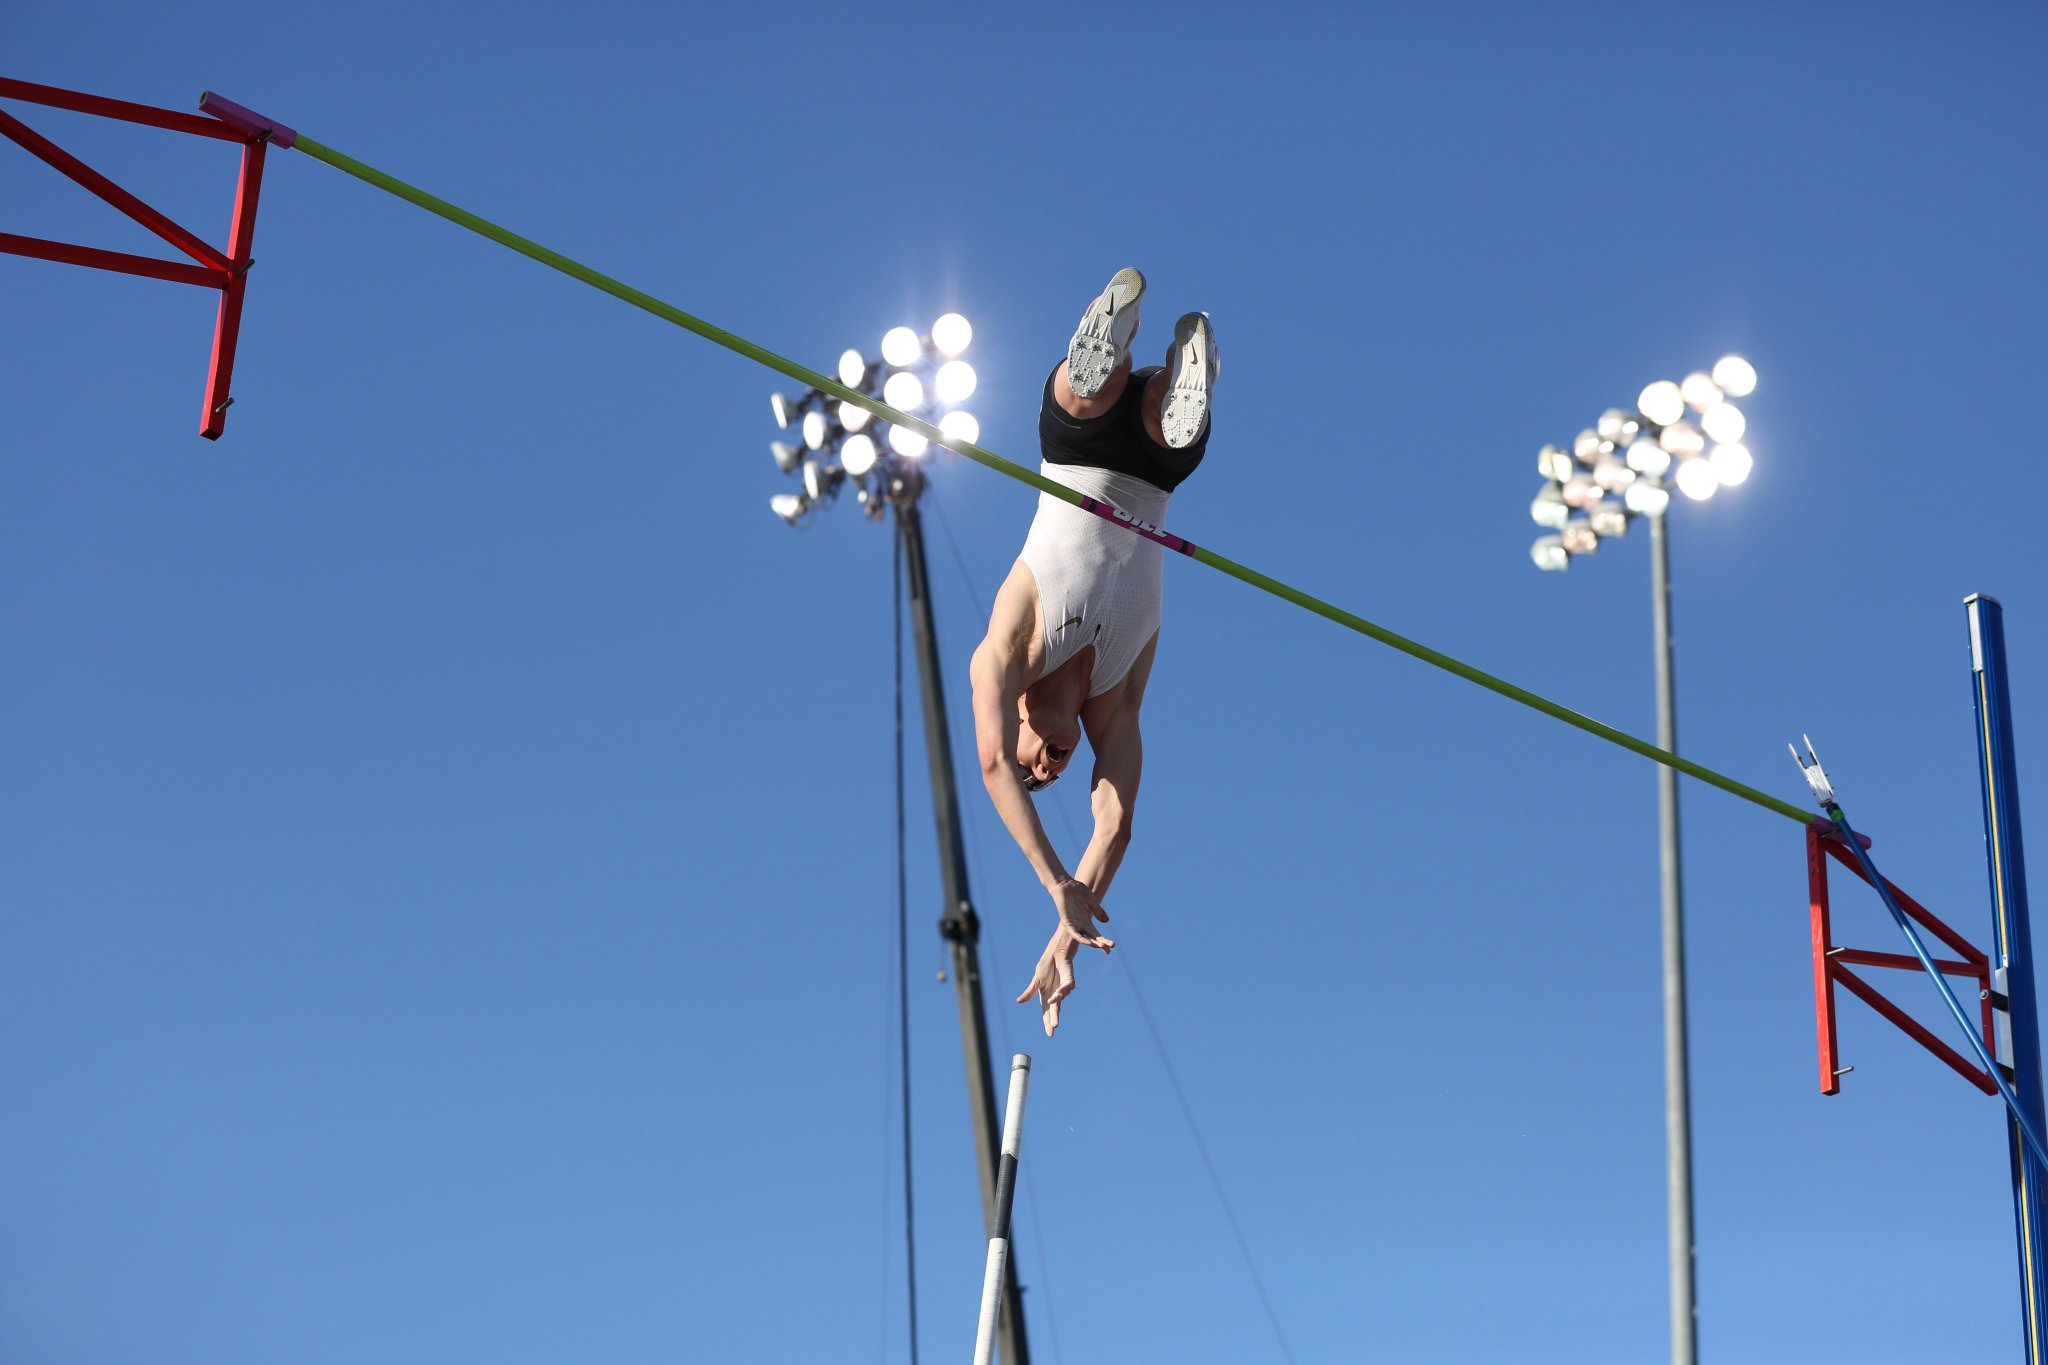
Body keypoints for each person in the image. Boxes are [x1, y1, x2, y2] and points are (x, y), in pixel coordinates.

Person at [969, 268, 1218, 1036]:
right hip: (1152, 484)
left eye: (1034, 764)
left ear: (1016, 718)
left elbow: (990, 765)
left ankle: (1103, 343)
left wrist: (1050, 881)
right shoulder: (1116, 701)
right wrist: (1065, 927)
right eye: (1056, 772)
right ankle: (1176, 382)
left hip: (1075, 458)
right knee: (1172, 430)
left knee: (1086, 396)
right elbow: (1114, 823)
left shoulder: (1004, 655)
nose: (1048, 766)